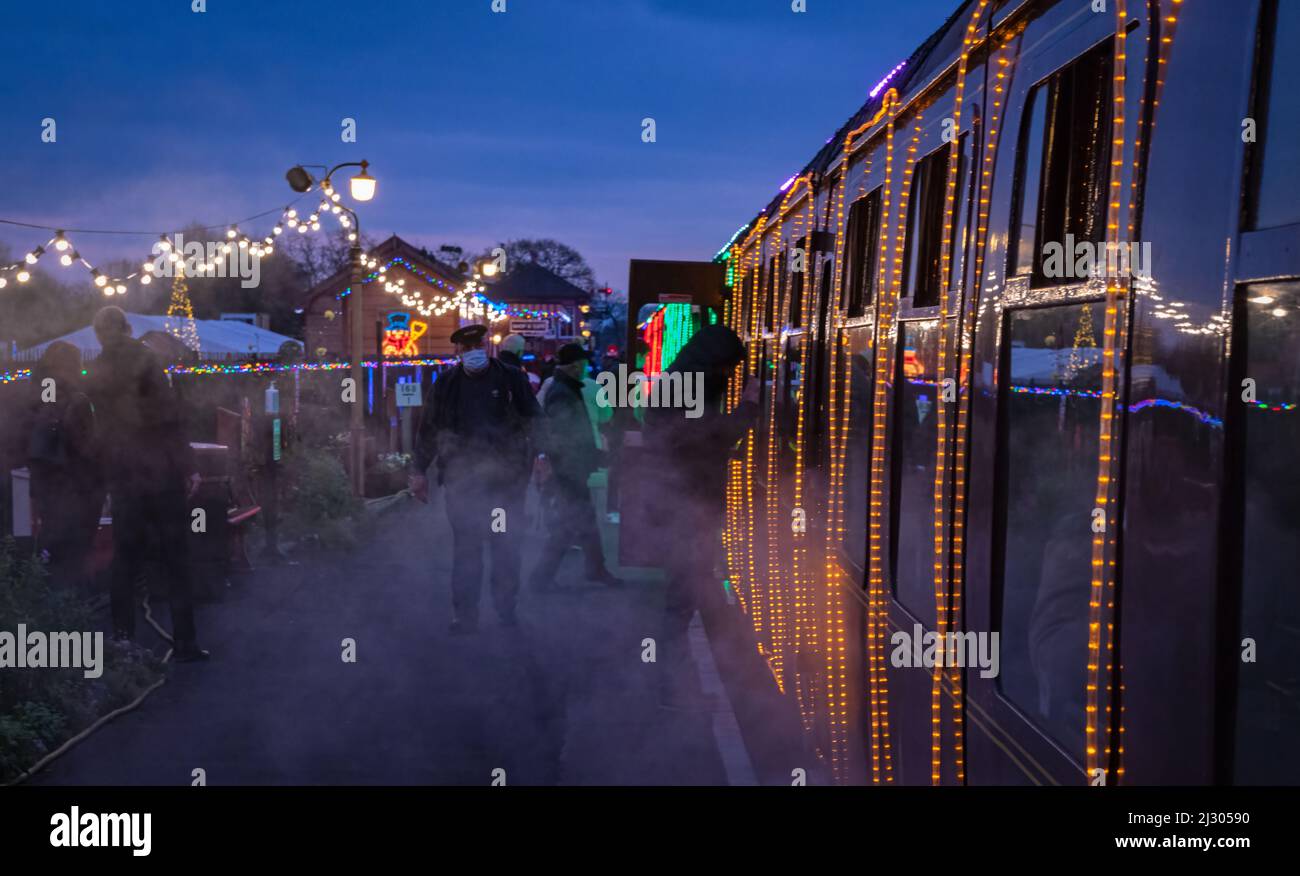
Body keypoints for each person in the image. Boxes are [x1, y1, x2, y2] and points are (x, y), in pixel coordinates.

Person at [643, 325, 759, 709]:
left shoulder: (679, 382)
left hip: (680, 502)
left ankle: (673, 680)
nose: (727, 377)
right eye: (726, 369)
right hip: (686, 505)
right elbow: (710, 436)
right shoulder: (687, 389)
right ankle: (668, 685)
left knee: (687, 591)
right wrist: (749, 406)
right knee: (683, 596)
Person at [88, 306, 208, 661]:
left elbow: (100, 430)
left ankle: (123, 639)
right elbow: (170, 417)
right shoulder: (148, 361)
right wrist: (189, 466)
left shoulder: (95, 369)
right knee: (175, 558)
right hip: (161, 471)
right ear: (127, 328)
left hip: (124, 475)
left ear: (99, 334)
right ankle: (184, 641)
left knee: (125, 559)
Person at [410, 324, 540, 632]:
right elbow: (428, 429)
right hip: (461, 480)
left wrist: (542, 455)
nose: (473, 353)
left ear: (487, 346)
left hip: (505, 482)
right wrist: (418, 471)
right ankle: (465, 615)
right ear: (458, 352)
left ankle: (506, 608)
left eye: (477, 346)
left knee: (504, 545)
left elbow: (535, 418)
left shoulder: (511, 378)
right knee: (467, 548)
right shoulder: (446, 384)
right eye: (466, 349)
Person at [530, 343, 623, 591]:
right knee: (572, 523)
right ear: (574, 366)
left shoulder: (563, 387)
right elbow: (565, 433)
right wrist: (590, 455)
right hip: (570, 467)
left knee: (580, 521)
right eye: (582, 365)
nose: (585, 369)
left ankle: (593, 569)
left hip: (571, 465)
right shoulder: (564, 391)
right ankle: (544, 577)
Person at [25, 341, 103, 589]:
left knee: (53, 541)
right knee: (70, 548)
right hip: (70, 480)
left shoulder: (41, 387)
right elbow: (78, 440)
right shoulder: (69, 396)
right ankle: (66, 605)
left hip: (49, 478)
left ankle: (52, 601)